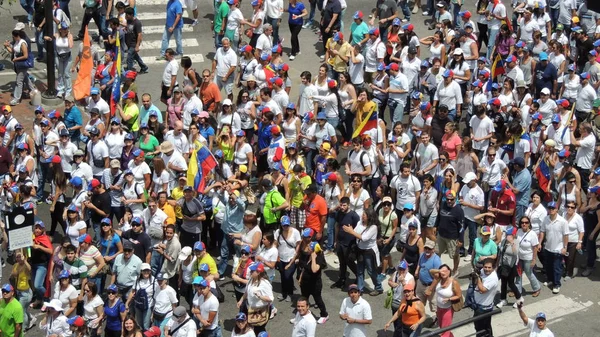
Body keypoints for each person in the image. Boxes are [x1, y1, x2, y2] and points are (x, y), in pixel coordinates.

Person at [540, 201, 568, 294]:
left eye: (553, 208)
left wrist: (565, 247)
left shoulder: (562, 221)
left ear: (557, 209)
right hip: (548, 248)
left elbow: (566, 235)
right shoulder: (545, 219)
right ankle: (550, 280)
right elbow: (542, 231)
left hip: (558, 249)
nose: (551, 210)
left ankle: (557, 284)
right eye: (549, 208)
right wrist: (540, 242)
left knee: (557, 268)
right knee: (548, 266)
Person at [472, 258, 499, 337]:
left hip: (484, 308)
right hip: (478, 304)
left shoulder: (493, 279)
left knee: (480, 329)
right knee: (486, 327)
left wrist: (477, 278)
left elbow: (483, 290)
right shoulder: (483, 271)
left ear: (493, 268)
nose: (487, 269)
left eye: (489, 267)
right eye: (485, 267)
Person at [415, 240, 441, 313]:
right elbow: (419, 264)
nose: (427, 250)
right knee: (418, 304)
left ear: (433, 249)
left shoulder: (436, 260)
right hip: (420, 283)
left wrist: (430, 289)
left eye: (429, 249)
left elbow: (437, 277)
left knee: (434, 306)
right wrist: (417, 270)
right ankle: (420, 320)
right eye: (426, 248)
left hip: (430, 286)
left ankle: (438, 321)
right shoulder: (422, 255)